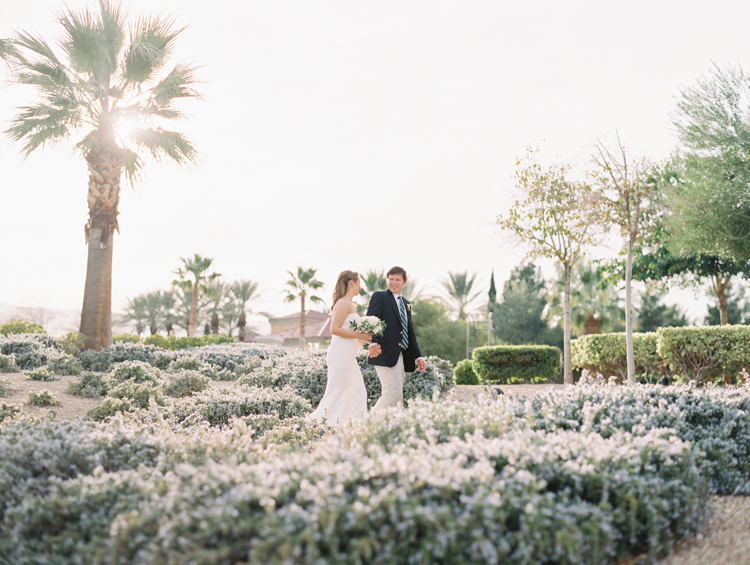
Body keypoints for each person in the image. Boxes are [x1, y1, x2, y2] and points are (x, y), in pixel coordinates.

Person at [309, 270, 373, 424]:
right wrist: (360, 336)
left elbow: (350, 334)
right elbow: (334, 329)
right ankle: (321, 423)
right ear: (352, 282)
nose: (360, 286)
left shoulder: (350, 304)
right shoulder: (344, 303)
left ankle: (345, 425)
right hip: (340, 356)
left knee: (354, 392)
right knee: (340, 392)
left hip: (347, 356)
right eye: (358, 283)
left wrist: (369, 341)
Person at [366, 266, 426, 410]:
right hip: (383, 352)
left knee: (394, 397)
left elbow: (409, 332)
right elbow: (370, 320)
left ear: (404, 282)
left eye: (397, 280)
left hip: (402, 355)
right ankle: (367, 423)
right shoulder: (380, 296)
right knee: (394, 393)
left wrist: (418, 356)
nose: (393, 282)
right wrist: (372, 342)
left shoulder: (406, 303)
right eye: (391, 279)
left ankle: (384, 429)